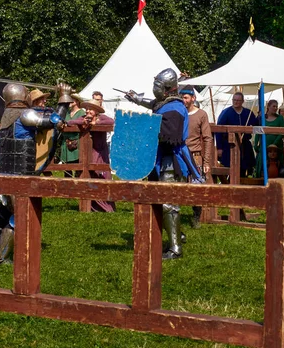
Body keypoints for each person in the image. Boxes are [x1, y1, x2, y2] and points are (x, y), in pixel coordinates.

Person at [0, 83, 71, 266]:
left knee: (4, 212)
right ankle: (1, 257)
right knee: (17, 217)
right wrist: (64, 98)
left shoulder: (6, 116)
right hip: (20, 173)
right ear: (23, 96)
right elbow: (56, 122)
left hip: (5, 172)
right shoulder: (25, 115)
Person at [125, 68, 201, 260]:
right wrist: (136, 99)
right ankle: (178, 234)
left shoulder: (175, 108)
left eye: (158, 86)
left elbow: (171, 136)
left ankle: (175, 248)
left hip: (171, 160)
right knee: (162, 202)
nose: (155, 89)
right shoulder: (167, 103)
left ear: (167, 88)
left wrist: (145, 128)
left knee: (168, 203)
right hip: (162, 159)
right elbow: (155, 106)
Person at [66, 99, 115, 212]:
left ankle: (106, 207)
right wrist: (83, 122)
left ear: (96, 111)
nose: (88, 111)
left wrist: (95, 123)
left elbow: (111, 121)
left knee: (101, 176)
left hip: (100, 152)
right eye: (87, 108)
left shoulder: (102, 118)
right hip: (88, 151)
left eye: (91, 109)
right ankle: (91, 205)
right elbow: (70, 122)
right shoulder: (83, 117)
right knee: (87, 175)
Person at [180, 85, 211, 228]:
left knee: (196, 188)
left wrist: (206, 161)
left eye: (185, 97)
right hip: (178, 154)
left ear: (193, 98)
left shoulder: (201, 115)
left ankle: (196, 216)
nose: (183, 100)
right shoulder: (178, 113)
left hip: (195, 155)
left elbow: (207, 138)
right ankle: (173, 216)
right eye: (182, 97)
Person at [215, 92, 258, 177]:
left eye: (238, 100)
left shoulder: (248, 113)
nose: (236, 102)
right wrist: (219, 147)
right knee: (230, 169)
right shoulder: (226, 113)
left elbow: (255, 124)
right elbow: (219, 130)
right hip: (229, 146)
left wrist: (260, 117)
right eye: (234, 100)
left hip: (244, 146)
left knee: (244, 169)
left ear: (242, 101)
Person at [254, 99, 284, 178]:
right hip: (264, 146)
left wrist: (274, 144)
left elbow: (282, 132)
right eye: (273, 106)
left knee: (278, 169)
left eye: (276, 107)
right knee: (263, 168)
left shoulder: (280, 118)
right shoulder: (262, 118)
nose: (275, 108)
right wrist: (256, 143)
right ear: (268, 107)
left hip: (276, 147)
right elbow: (258, 131)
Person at [60, 94, 86, 177]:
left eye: (72, 100)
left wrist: (68, 124)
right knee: (67, 170)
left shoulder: (81, 113)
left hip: (76, 142)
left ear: (77, 101)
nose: (70, 102)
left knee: (78, 169)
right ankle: (67, 187)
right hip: (65, 142)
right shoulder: (67, 112)